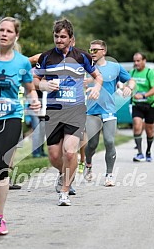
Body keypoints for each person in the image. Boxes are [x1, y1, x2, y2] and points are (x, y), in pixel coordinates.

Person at [33, 18, 103, 206]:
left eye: (63, 36)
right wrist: (43, 84)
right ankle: (64, 173)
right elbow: (34, 79)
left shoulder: (82, 57)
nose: (59, 40)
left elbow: (98, 76)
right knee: (55, 156)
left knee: (70, 152)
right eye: (56, 36)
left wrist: (97, 87)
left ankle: (64, 190)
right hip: (54, 112)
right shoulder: (46, 57)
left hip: (76, 110)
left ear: (71, 38)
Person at [0, 17, 40, 235]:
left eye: (9, 31)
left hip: (10, 118)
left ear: (15, 35)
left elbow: (30, 88)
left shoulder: (21, 63)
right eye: (1, 29)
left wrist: (34, 99)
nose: (4, 33)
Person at [84, 39, 135, 186]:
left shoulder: (115, 67)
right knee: (92, 144)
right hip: (92, 111)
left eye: (95, 50)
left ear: (104, 51)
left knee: (109, 141)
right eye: (90, 50)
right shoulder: (86, 67)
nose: (92, 52)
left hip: (109, 110)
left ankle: (109, 174)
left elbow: (130, 80)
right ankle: (88, 164)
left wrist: (129, 88)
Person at [130, 52, 154, 162]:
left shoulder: (149, 72)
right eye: (135, 61)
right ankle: (139, 153)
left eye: (138, 61)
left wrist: (144, 95)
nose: (136, 63)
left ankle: (148, 151)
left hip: (150, 105)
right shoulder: (132, 72)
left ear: (144, 60)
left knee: (149, 131)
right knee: (137, 125)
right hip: (137, 105)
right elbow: (128, 85)